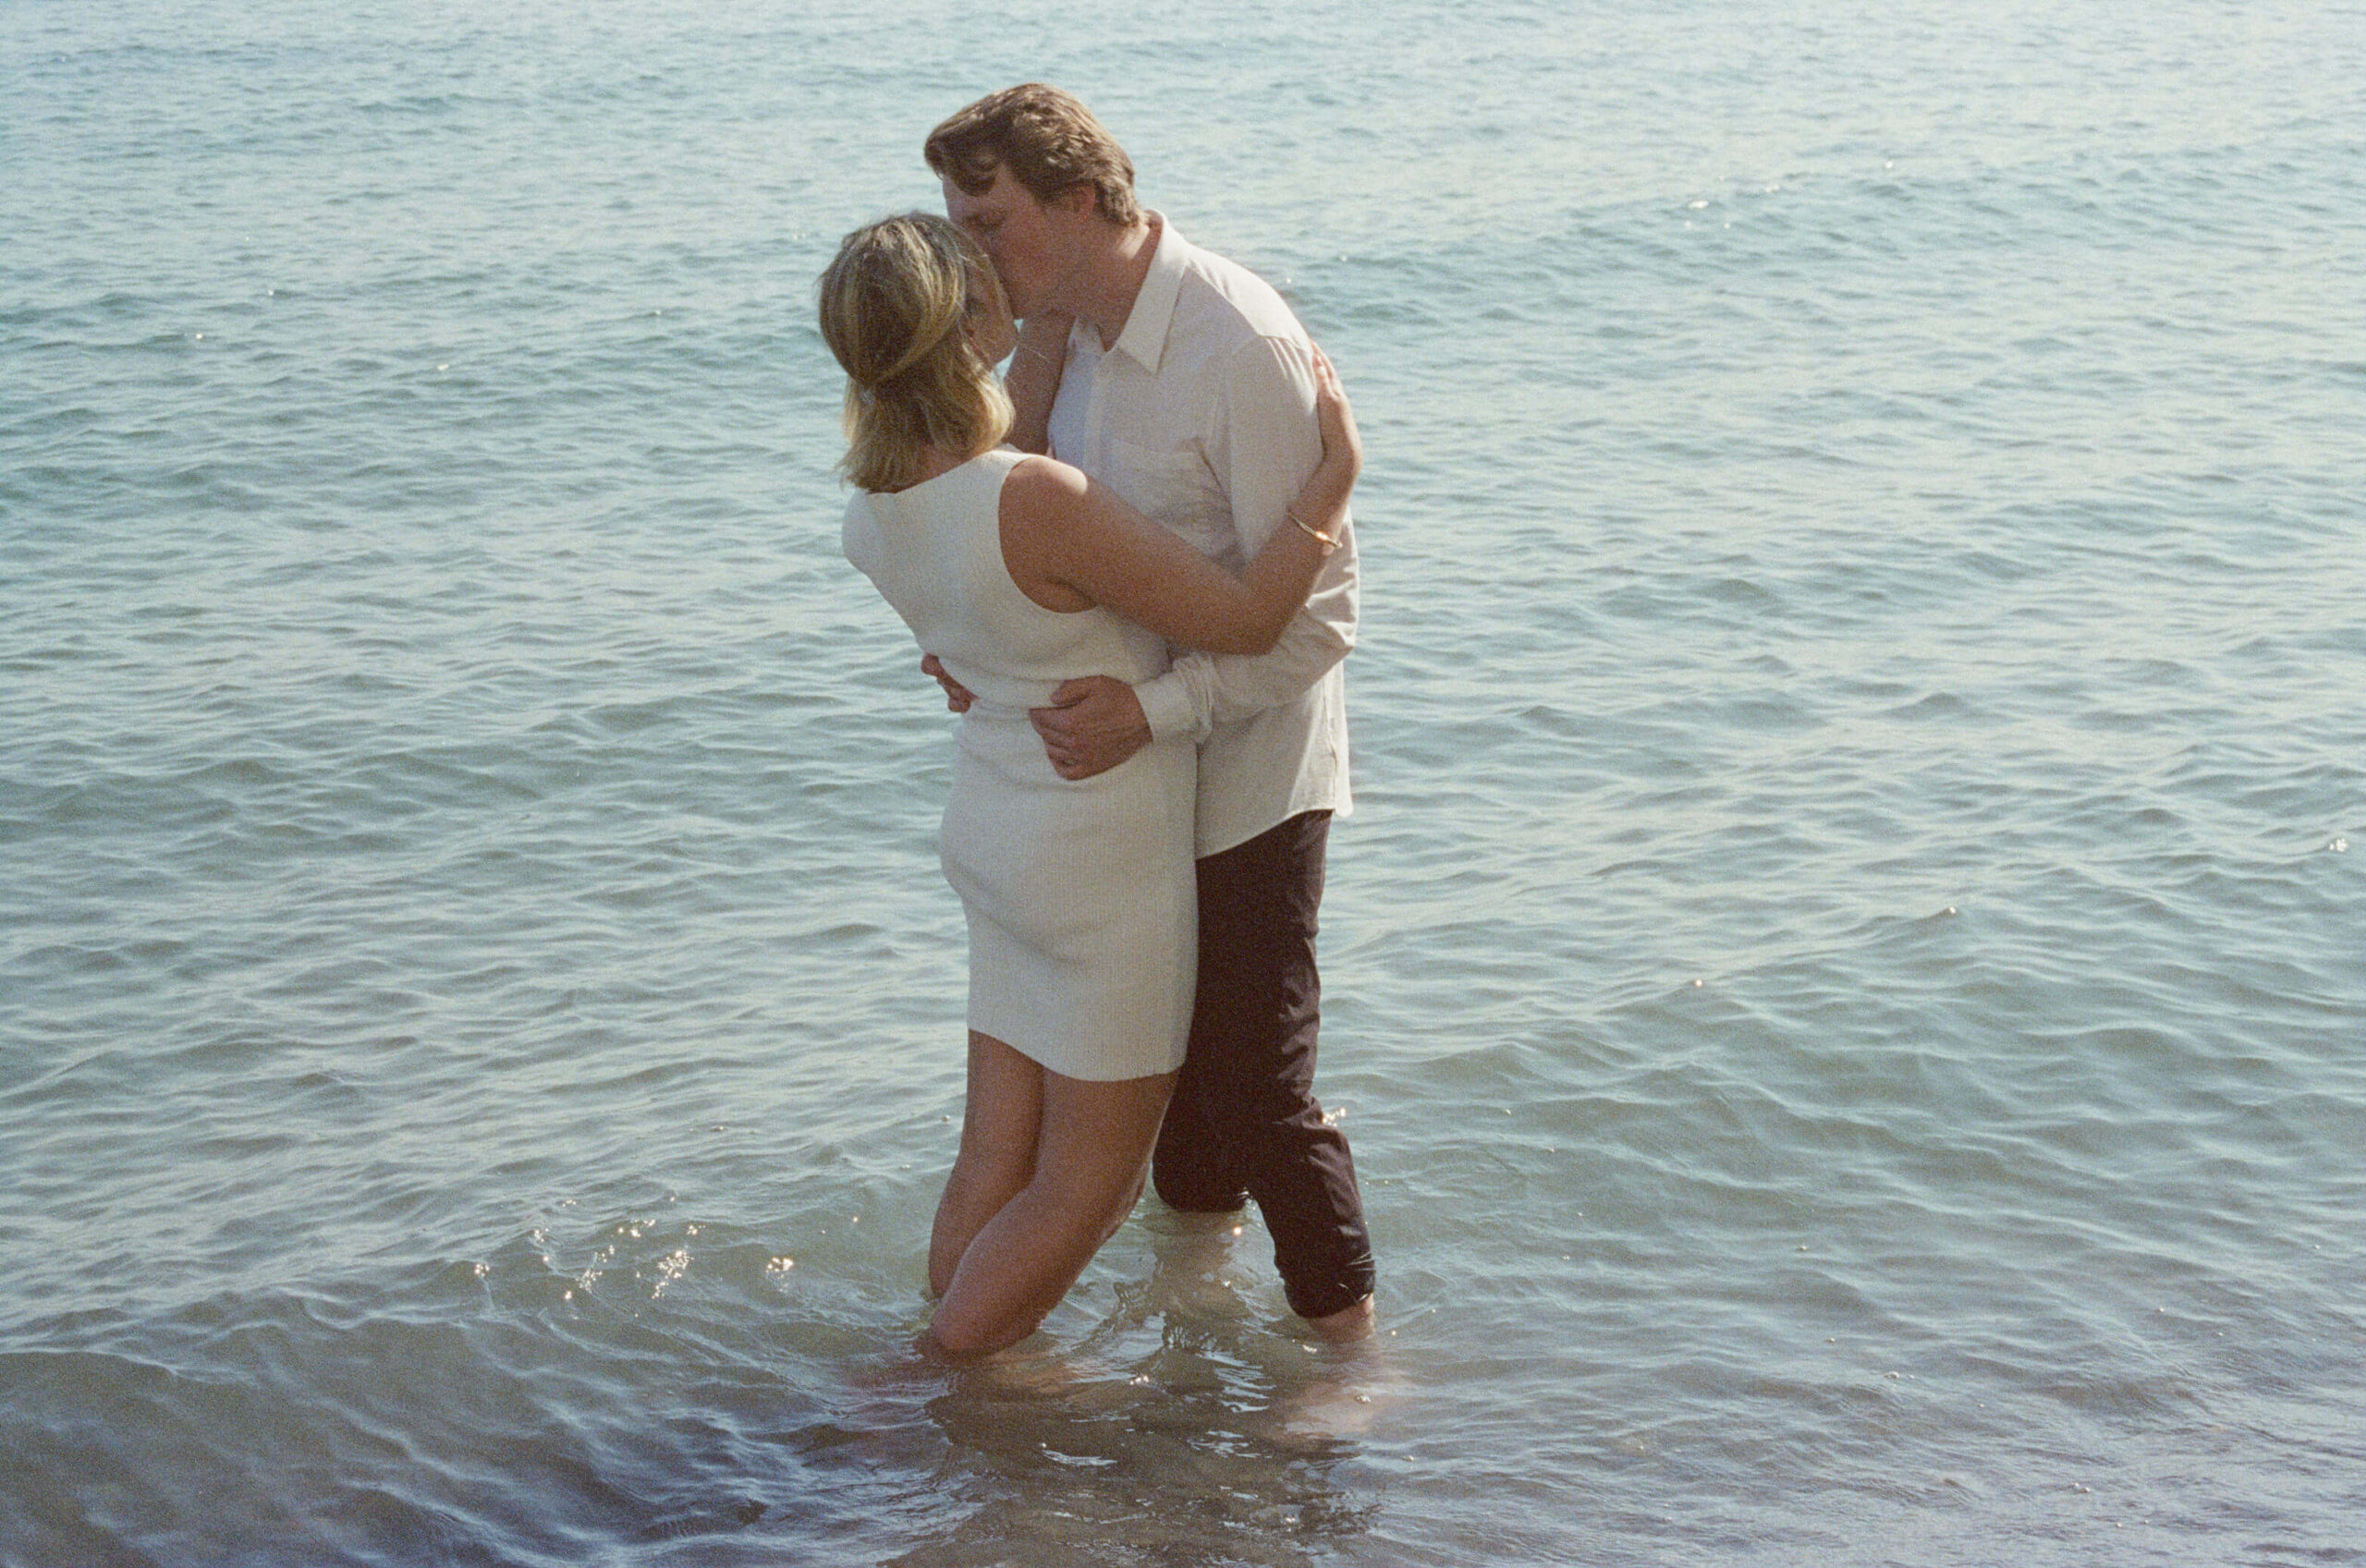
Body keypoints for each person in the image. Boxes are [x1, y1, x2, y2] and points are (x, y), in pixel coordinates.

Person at [818, 213, 1361, 1358]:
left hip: (993, 833)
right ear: (971, 324)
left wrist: (1047, 327)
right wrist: (1331, 484)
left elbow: (975, 621)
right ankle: (931, 1386)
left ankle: (962, 1355)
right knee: (1083, 1190)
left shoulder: (874, 518)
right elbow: (1249, 619)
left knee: (992, 1159)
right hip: (1098, 859)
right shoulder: (1038, 499)